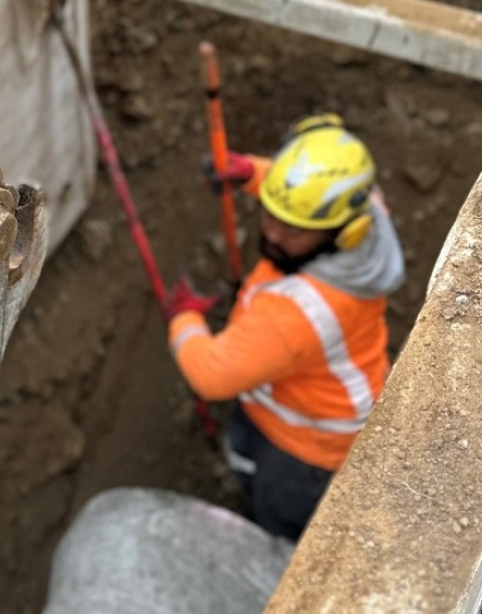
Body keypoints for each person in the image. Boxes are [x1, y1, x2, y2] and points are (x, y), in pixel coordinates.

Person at [165, 114, 405, 541]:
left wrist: (184, 318)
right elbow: (306, 196)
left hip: (304, 453)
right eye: (269, 213)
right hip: (320, 403)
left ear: (345, 233)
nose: (272, 232)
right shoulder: (363, 211)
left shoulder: (298, 315)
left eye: (292, 228)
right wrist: (253, 174)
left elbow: (212, 375)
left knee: (279, 520)